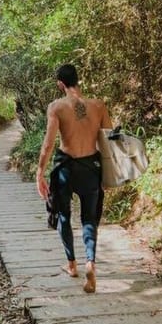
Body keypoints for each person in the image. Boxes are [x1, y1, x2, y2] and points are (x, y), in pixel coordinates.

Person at [36, 64, 112, 293]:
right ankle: (90, 262)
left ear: (60, 83)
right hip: (91, 167)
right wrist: (109, 175)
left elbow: (49, 144)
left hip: (66, 168)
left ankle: (72, 265)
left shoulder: (57, 107)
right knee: (89, 218)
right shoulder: (98, 106)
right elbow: (109, 142)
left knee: (63, 216)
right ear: (78, 81)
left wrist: (40, 171)